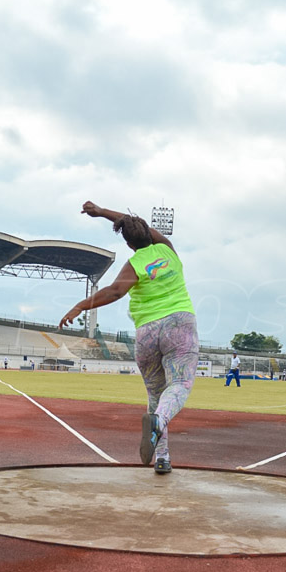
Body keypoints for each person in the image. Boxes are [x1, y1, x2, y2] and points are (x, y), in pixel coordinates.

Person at [60, 201, 198, 475]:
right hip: (180, 325)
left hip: (147, 332)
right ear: (150, 231)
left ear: (129, 244)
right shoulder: (167, 248)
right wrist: (103, 212)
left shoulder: (134, 263)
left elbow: (114, 293)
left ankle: (162, 457)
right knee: (179, 385)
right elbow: (134, 224)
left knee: (155, 395)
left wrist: (80, 305)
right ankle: (159, 422)